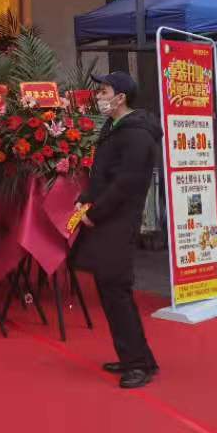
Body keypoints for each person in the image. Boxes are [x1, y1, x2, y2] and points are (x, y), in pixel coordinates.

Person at [71, 70, 163, 390]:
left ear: (121, 97)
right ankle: (134, 356)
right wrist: (85, 200)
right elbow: (103, 175)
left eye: (104, 91)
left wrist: (96, 212)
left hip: (119, 220)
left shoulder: (137, 135)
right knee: (109, 288)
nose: (99, 96)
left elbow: (126, 184)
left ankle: (139, 364)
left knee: (117, 290)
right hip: (106, 217)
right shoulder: (114, 127)